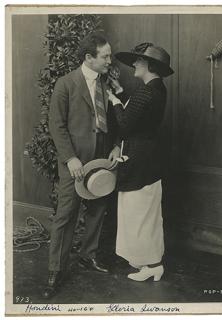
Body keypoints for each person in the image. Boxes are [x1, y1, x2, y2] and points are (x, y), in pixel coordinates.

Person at [43, 32, 120, 298]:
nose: (111, 60)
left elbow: (112, 121)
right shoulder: (65, 84)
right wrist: (70, 158)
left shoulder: (105, 83)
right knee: (66, 216)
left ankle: (89, 255)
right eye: (106, 56)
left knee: (98, 208)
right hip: (74, 162)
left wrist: (115, 146)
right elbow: (56, 125)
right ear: (89, 57)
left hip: (100, 159)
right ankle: (56, 269)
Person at [107, 42, 174, 282]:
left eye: (138, 60)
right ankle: (151, 264)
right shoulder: (157, 89)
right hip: (149, 162)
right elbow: (138, 114)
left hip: (139, 163)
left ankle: (151, 265)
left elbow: (126, 124)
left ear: (150, 65)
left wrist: (113, 100)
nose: (134, 64)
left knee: (139, 214)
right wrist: (121, 93)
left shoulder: (146, 92)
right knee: (147, 214)